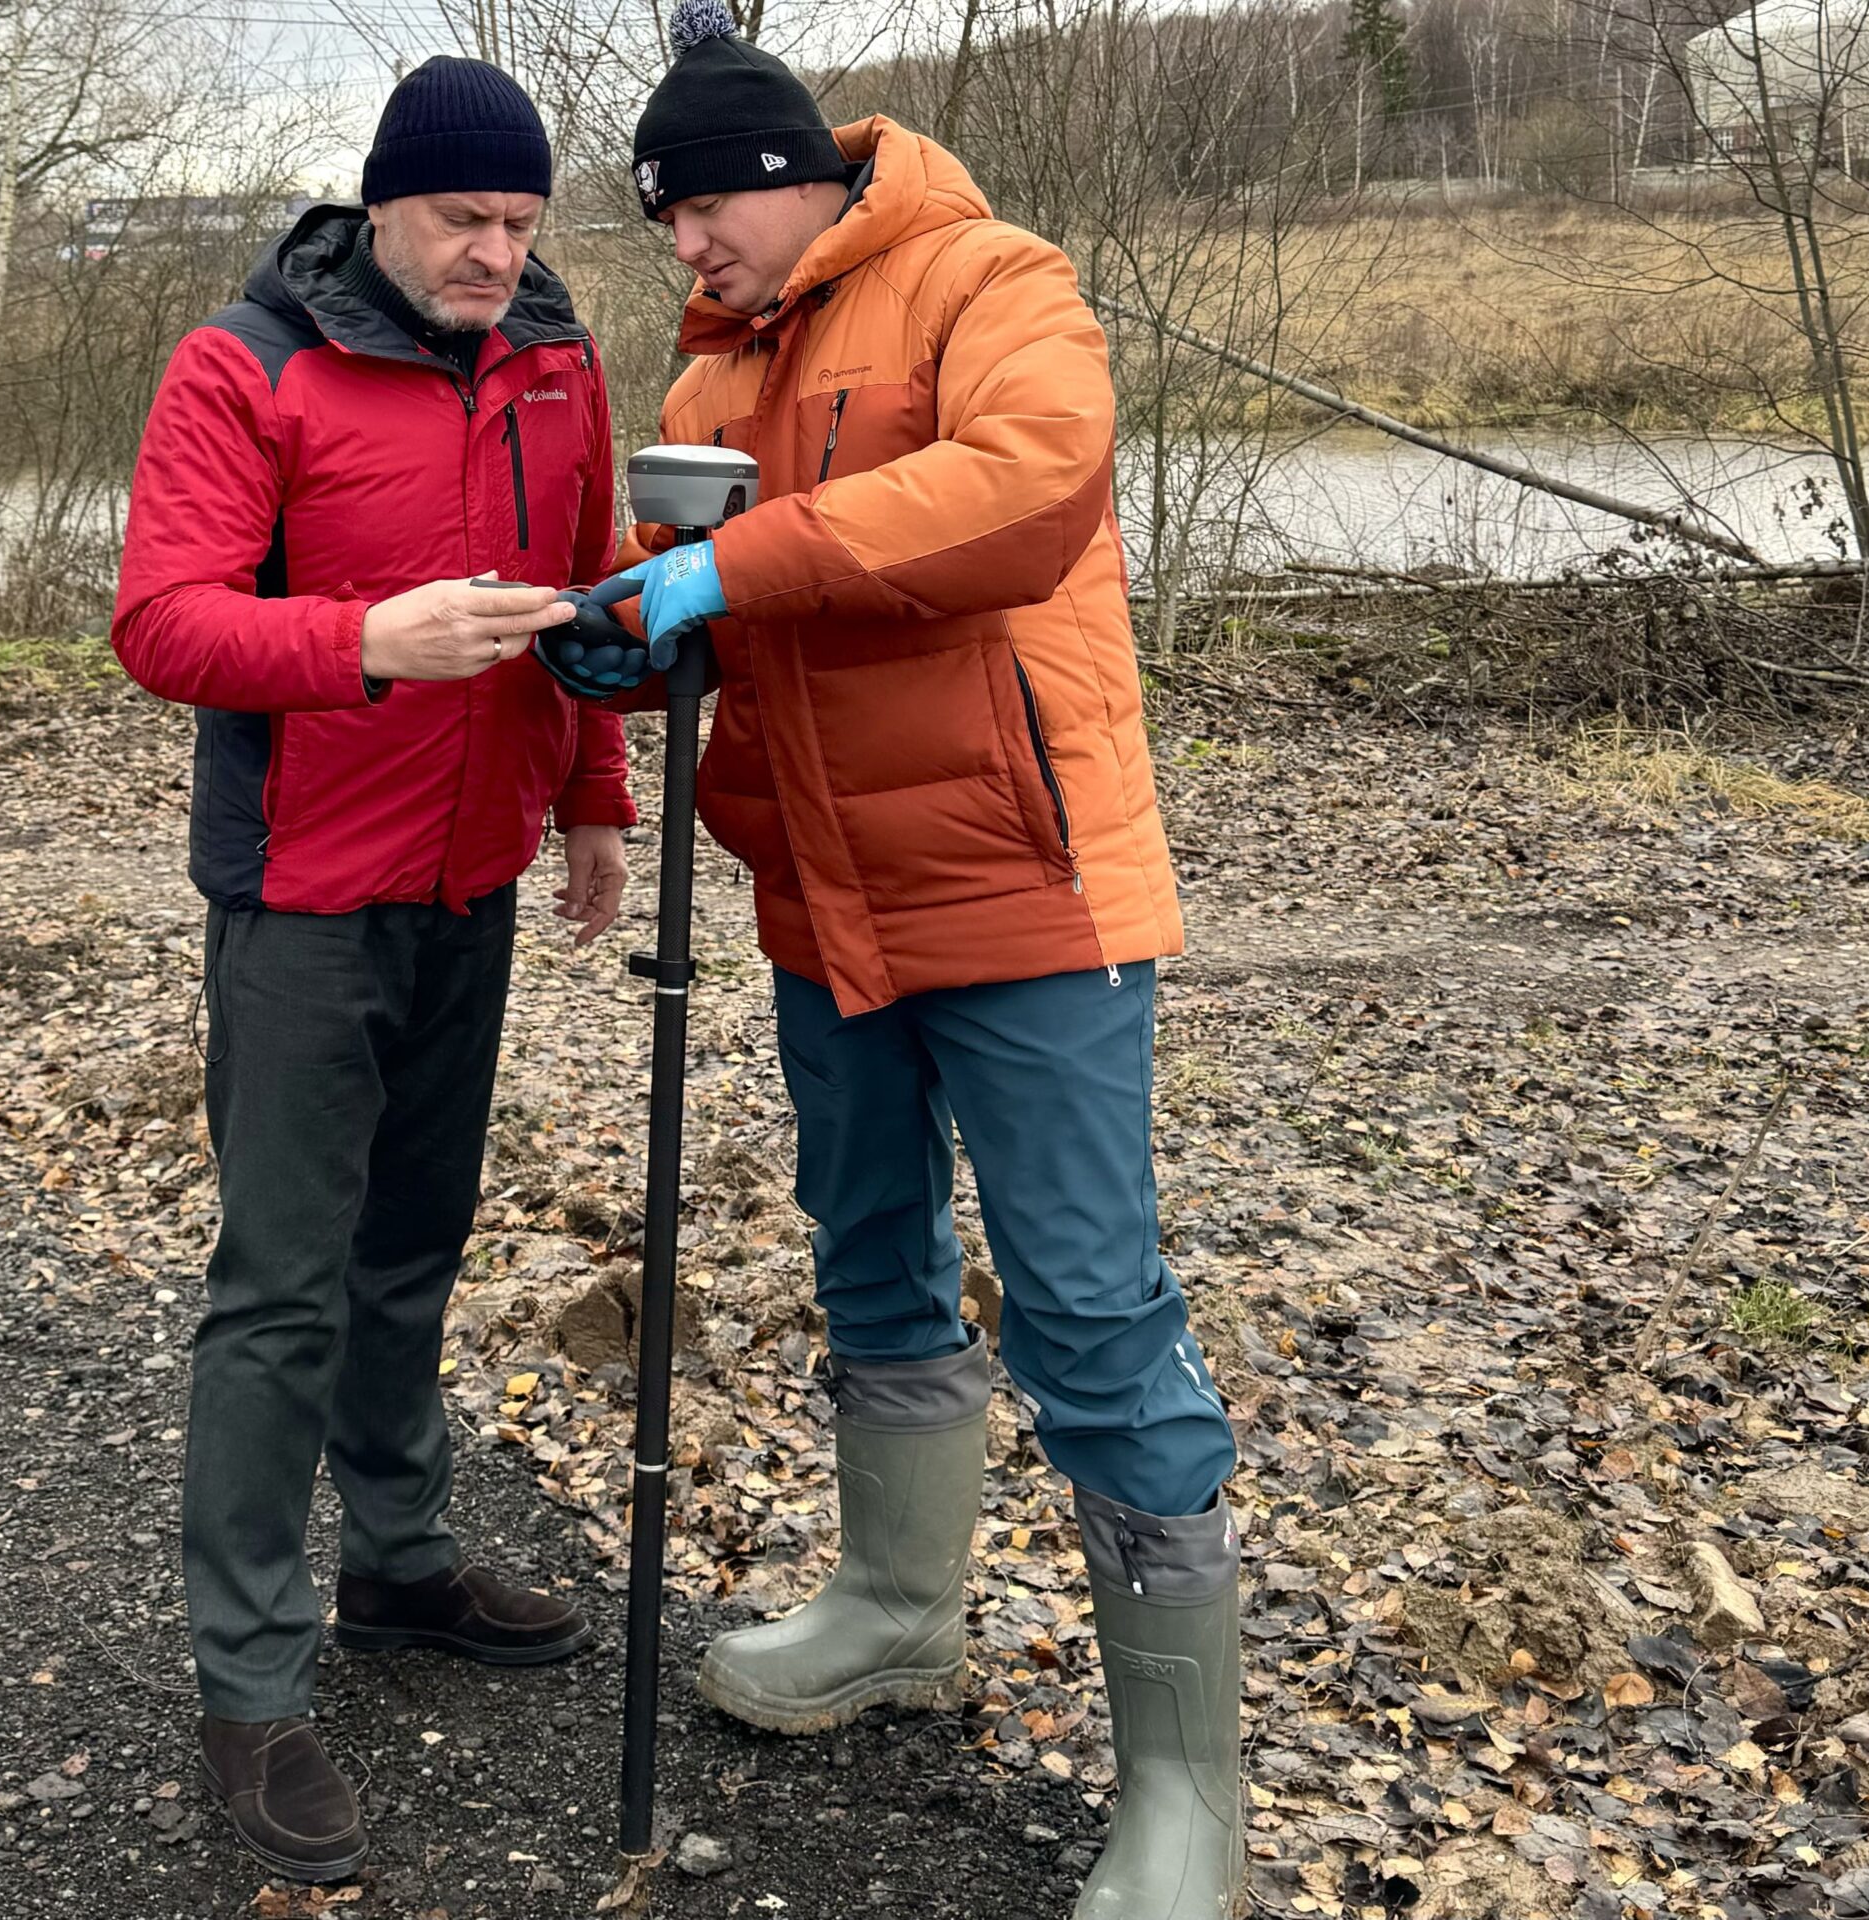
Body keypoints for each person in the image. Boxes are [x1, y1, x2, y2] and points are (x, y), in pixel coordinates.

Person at [601, 6, 1242, 1915]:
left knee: (1084, 1303)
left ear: (796, 177)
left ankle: (1188, 1798)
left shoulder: (993, 278)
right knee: (861, 1241)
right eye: (669, 227)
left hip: (1021, 882)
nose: (687, 255)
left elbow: (1026, 497)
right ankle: (896, 1609)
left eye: (703, 213)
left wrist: (740, 563)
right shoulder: (710, 381)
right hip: (823, 895)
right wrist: (633, 624)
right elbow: (737, 608)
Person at [110, 55, 633, 1886]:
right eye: (462, 221)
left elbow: (585, 592)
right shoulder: (244, 364)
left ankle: (401, 1566)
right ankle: (249, 1680)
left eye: (519, 222)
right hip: (303, 897)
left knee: (414, 1247)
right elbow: (162, 624)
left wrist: (592, 798)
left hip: (472, 879)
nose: (496, 252)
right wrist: (366, 641)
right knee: (282, 1286)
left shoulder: (562, 362)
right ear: (382, 205)